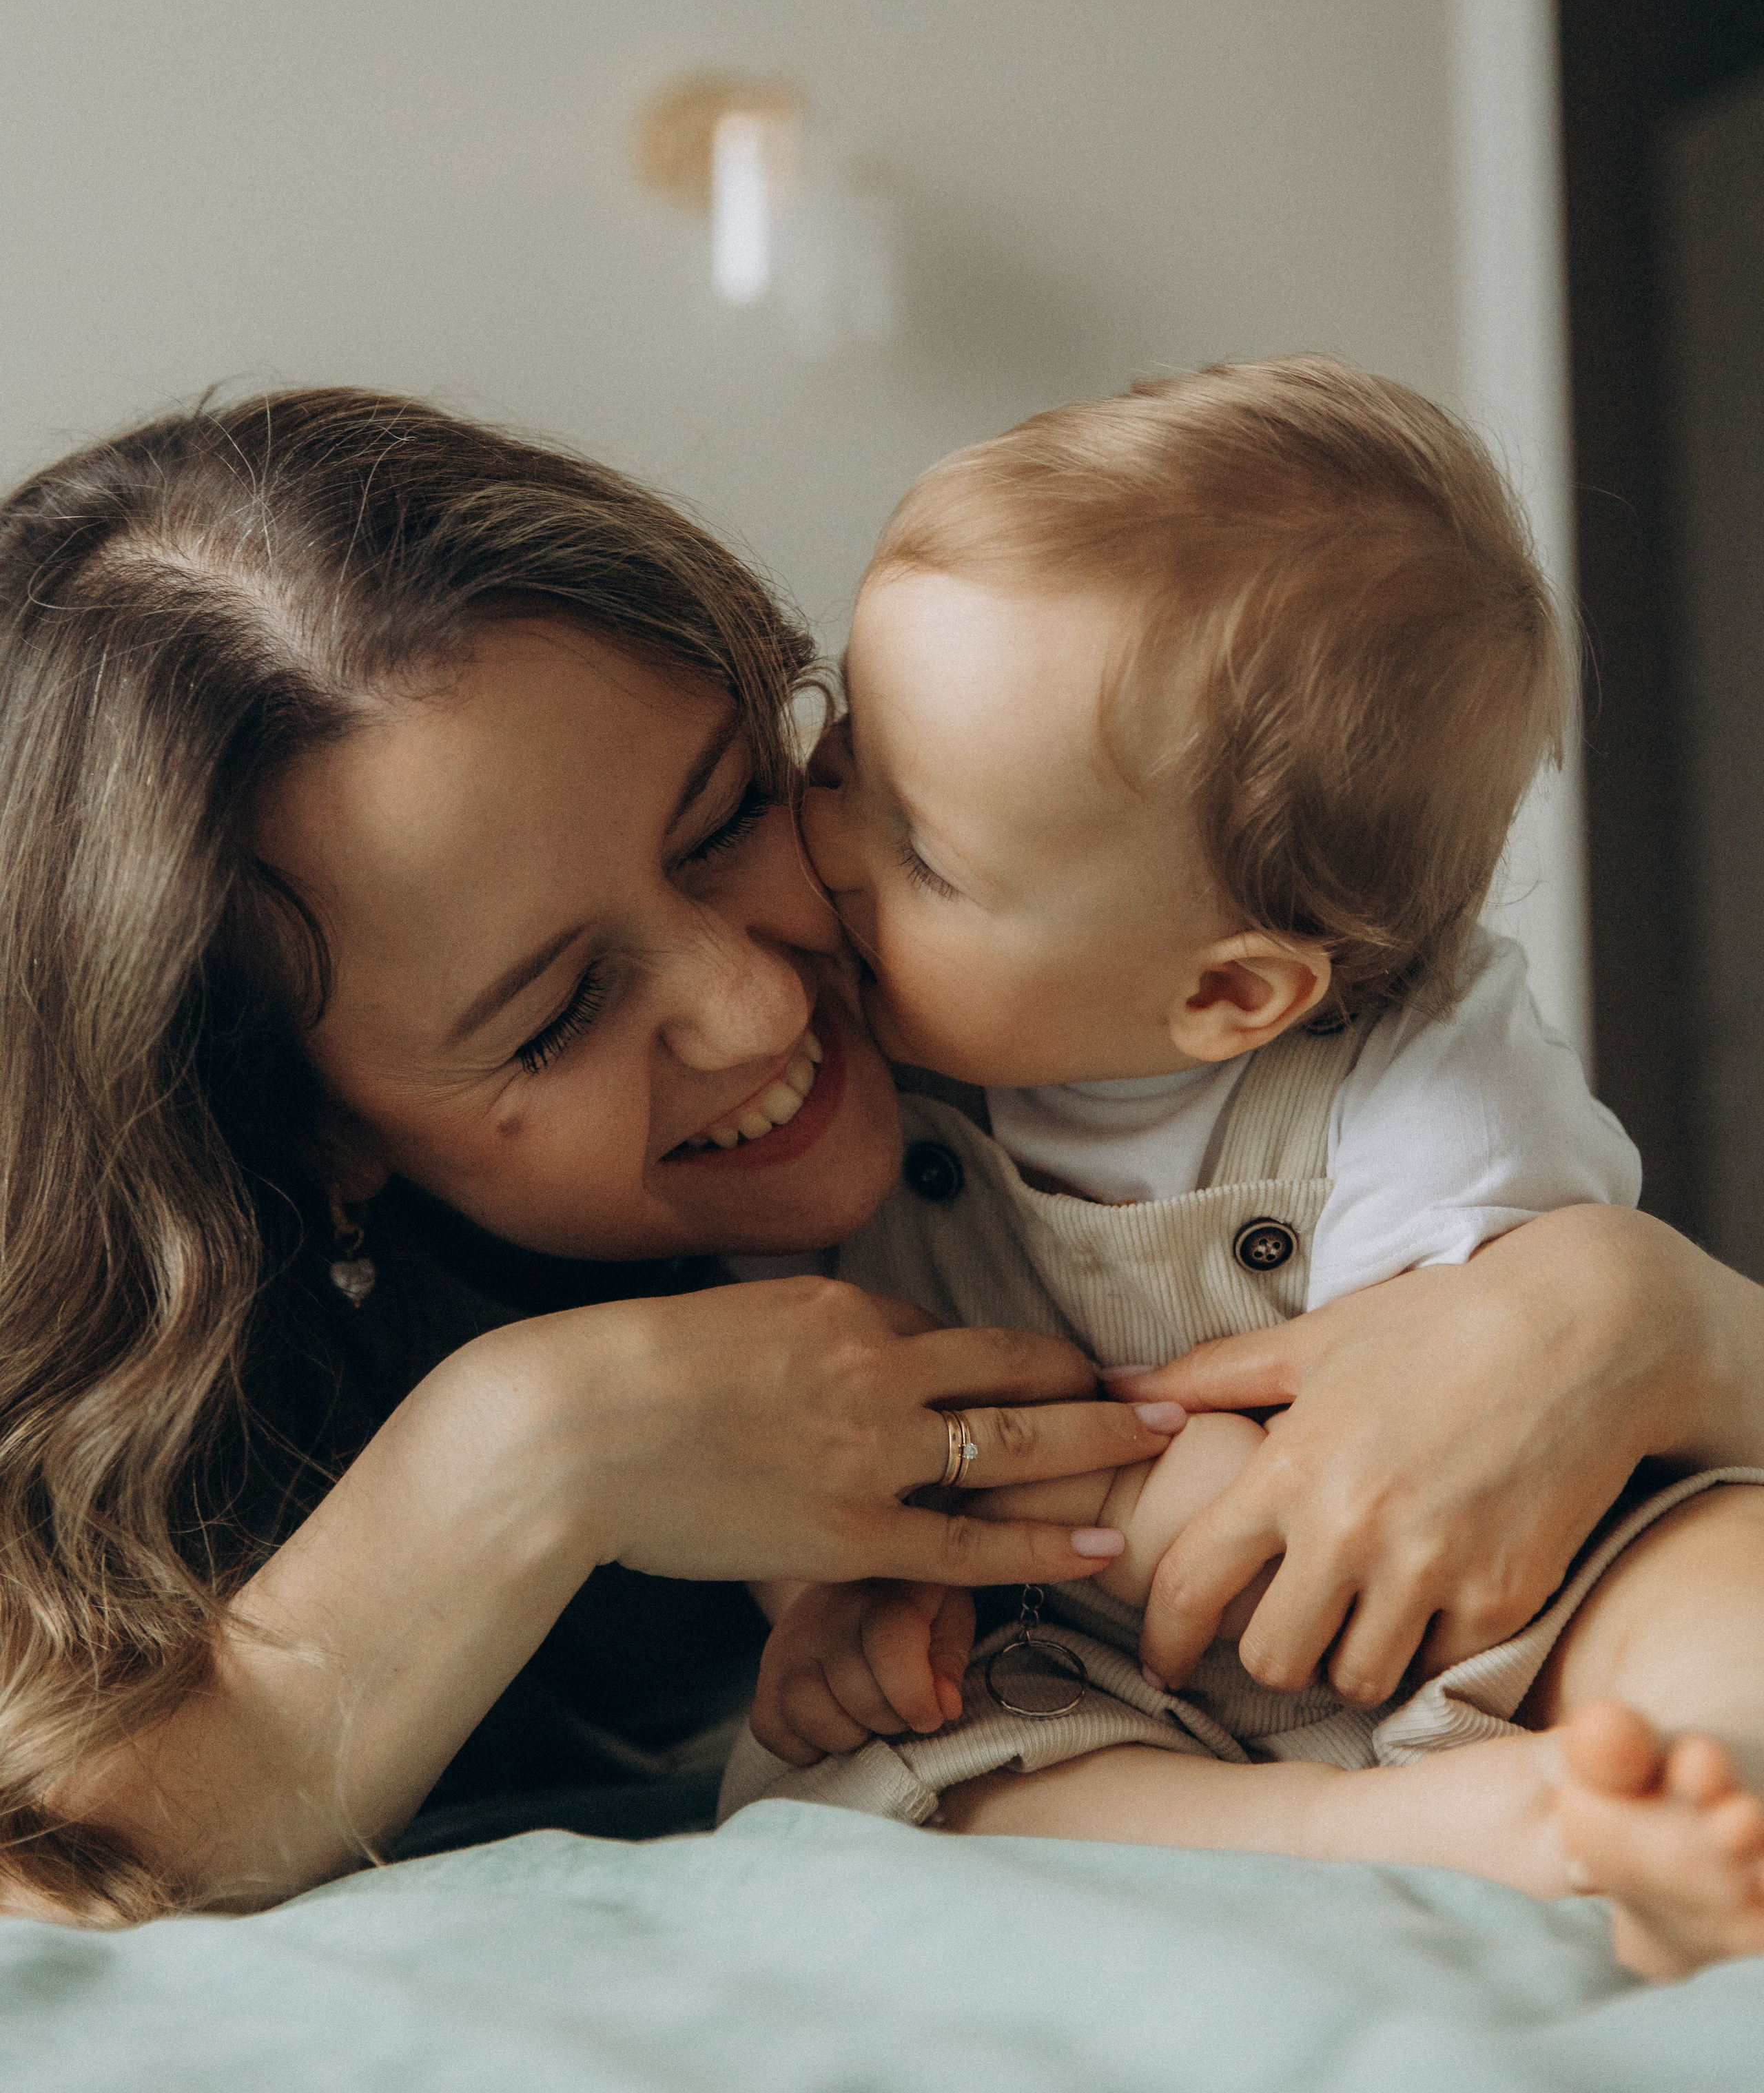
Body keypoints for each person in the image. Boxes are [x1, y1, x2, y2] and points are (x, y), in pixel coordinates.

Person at [1, 386, 1762, 1950]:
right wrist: (534, 1452)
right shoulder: (149, 1388)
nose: (763, 998)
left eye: (729, 816)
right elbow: (54, 1875)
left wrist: (1646, 1320)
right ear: (301, 1137)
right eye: (554, 1018)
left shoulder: (1083, 961)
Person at [730, 361, 1764, 1979]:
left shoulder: (1422, 1087)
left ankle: (1695, 1783)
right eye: (842, 758)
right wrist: (829, 1606)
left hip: (1478, 1606)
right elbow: (775, 1411)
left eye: (920, 854)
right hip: (1071, 1655)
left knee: (1717, 1584)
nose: (822, 845)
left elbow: (1480, 1426)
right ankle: (1449, 1835)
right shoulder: (837, 1089)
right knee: (855, 1792)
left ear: (1225, 995)